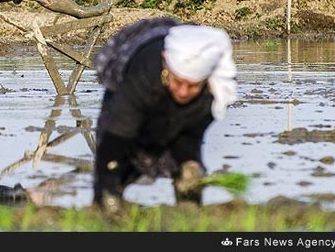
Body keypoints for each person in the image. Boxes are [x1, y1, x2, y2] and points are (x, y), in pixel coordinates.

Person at [92, 17, 237, 210]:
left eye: (192, 86)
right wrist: (108, 192)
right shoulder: (142, 75)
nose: (183, 91)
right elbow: (116, 136)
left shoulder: (213, 93)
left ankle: (190, 212)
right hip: (137, 63)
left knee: (189, 172)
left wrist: (189, 164)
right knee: (116, 163)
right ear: (166, 66)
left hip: (173, 67)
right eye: (178, 82)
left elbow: (188, 136)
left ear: (206, 81)